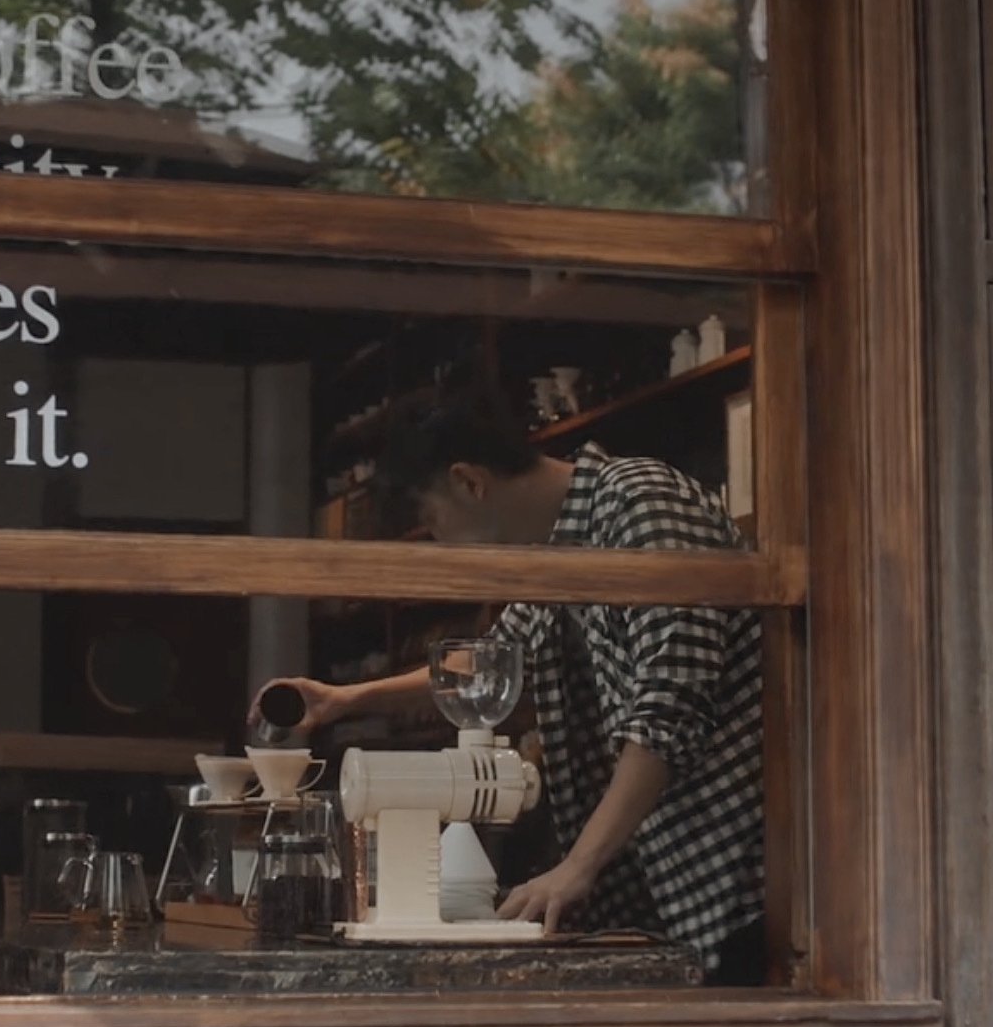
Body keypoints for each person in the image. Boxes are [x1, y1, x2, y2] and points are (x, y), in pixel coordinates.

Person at [253, 384, 768, 986]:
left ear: (469, 482)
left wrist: (578, 866)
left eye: (434, 522)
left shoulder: (643, 503)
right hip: (671, 875)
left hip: (739, 875)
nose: (442, 545)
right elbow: (494, 661)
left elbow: (670, 707)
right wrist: (348, 698)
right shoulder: (562, 545)